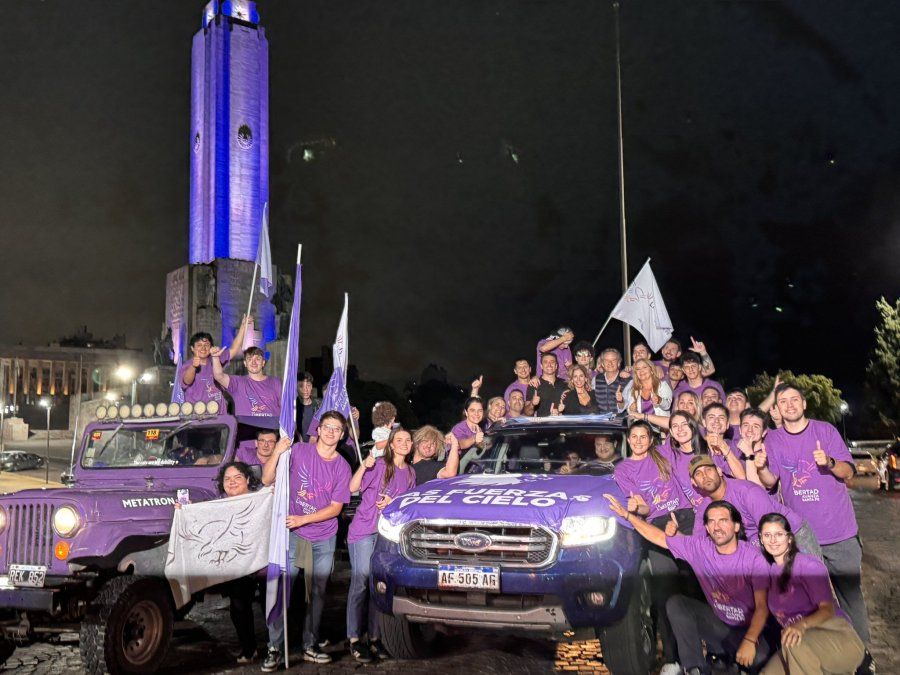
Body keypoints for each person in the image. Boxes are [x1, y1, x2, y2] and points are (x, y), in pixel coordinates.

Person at [755, 384, 870, 647]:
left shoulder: (825, 431)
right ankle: (830, 653)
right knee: (816, 602)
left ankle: (862, 655)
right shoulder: (773, 439)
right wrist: (761, 468)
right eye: (783, 401)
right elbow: (771, 481)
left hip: (840, 533)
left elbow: (849, 473)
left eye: (795, 399)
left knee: (851, 597)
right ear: (778, 408)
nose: (790, 405)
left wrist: (829, 463)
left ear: (804, 404)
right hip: (804, 538)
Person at [604, 498, 772, 675]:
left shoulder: (753, 559)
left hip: (750, 630)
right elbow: (659, 537)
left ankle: (736, 663)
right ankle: (695, 669)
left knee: (759, 659)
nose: (717, 527)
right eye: (712, 522)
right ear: (706, 528)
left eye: (723, 521)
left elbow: (763, 607)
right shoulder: (701, 549)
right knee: (677, 604)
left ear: (736, 526)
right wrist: (628, 516)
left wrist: (750, 640)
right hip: (719, 626)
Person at [260, 411, 353, 669]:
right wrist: (278, 451)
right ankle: (274, 648)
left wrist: (302, 519)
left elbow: (335, 508)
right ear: (319, 429)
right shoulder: (299, 451)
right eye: (327, 427)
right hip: (293, 536)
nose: (331, 432)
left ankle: (310, 645)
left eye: (337, 429)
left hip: (323, 537)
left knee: (318, 594)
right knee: (281, 591)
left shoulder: (342, 466)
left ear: (343, 434)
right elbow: (267, 479)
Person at [613, 421, 694, 670]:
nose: (638, 441)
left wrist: (639, 413)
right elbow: (644, 507)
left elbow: (678, 428)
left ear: (650, 440)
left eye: (643, 436)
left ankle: (704, 655)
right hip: (656, 525)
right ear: (628, 440)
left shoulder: (665, 454)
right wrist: (637, 509)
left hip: (686, 517)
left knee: (696, 585)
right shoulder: (623, 469)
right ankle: (672, 658)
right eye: (634, 436)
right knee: (666, 592)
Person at [178, 461, 264, 665]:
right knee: (238, 606)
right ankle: (250, 648)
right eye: (227, 479)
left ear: (248, 480)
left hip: (260, 561)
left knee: (271, 605)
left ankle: (277, 646)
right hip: (234, 564)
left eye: (237, 478)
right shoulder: (220, 502)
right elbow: (203, 519)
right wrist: (185, 510)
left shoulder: (259, 500)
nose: (232, 482)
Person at [758, 514, 864, 675]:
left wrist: (800, 625)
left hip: (837, 638)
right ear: (761, 539)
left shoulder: (807, 565)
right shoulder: (769, 572)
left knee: (792, 642)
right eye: (767, 535)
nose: (773, 540)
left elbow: (827, 609)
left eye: (779, 534)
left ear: (790, 538)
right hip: (799, 645)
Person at [346, 427, 416, 663]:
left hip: (387, 535)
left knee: (379, 587)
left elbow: (407, 505)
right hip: (364, 531)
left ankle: (374, 639)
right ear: (391, 445)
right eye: (399, 440)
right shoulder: (378, 466)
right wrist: (363, 466)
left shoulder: (410, 473)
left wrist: (393, 501)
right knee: (361, 583)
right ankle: (354, 639)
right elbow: (352, 487)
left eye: (408, 439)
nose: (405, 443)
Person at [687, 456, 820, 556]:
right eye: (698, 474)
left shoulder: (747, 492)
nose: (705, 476)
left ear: (719, 470)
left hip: (792, 535)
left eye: (708, 470)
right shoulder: (705, 508)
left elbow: (773, 528)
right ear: (694, 482)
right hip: (758, 546)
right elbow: (697, 543)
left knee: (815, 587)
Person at [662, 411, 745, 507]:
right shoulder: (670, 454)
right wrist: (642, 416)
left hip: (723, 507)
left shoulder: (710, 449)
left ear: (692, 427)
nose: (680, 429)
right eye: (675, 426)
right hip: (695, 514)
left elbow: (741, 477)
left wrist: (724, 448)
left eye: (684, 424)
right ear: (671, 432)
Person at [177, 318, 248, 405]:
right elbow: (187, 381)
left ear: (211, 347)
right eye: (199, 345)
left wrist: (243, 327)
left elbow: (234, 349)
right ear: (192, 348)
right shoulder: (187, 365)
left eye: (206, 345)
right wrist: (193, 367)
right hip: (197, 414)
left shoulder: (215, 358)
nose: (203, 348)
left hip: (219, 413)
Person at [211, 346, 282, 417]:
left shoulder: (276, 382)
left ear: (263, 362)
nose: (254, 362)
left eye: (257, 359)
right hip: (247, 427)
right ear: (245, 363)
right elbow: (218, 376)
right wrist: (215, 357)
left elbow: (285, 407)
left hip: (271, 426)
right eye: (250, 359)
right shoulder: (237, 383)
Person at [618, 358, 673, 422]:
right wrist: (622, 402)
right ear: (636, 373)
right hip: (639, 427)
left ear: (651, 370)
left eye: (644, 367)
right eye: (638, 369)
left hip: (659, 427)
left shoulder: (662, 385)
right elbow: (623, 408)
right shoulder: (632, 387)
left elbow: (667, 406)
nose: (641, 371)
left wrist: (659, 400)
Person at [701, 403, 747, 479]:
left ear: (727, 424)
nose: (716, 421)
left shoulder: (737, 446)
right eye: (711, 417)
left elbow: (741, 477)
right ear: (704, 422)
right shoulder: (697, 446)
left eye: (721, 418)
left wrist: (723, 446)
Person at [593, 348, 630, 415]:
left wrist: (620, 400)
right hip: (599, 420)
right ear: (602, 364)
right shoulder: (595, 379)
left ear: (618, 363)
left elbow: (624, 408)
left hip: (619, 421)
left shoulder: (628, 380)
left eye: (613, 360)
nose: (610, 363)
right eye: (606, 360)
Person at [296, 372, 321, 442]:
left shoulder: (319, 405)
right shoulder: (292, 407)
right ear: (296, 387)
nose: (305, 389)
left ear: (312, 387)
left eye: (308, 385)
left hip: (316, 446)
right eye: (301, 386)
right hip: (299, 447)